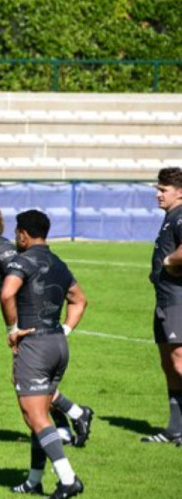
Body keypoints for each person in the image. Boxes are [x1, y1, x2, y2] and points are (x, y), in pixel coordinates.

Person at [0, 201, 93, 453]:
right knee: (29, 381)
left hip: (31, 328)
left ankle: (69, 422)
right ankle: (71, 420)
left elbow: (22, 284)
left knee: (30, 382)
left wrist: (18, 328)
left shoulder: (2, 251)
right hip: (25, 327)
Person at [1, 210, 88, 498]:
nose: (16, 237)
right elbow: (80, 300)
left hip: (35, 345)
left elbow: (6, 293)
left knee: (36, 416)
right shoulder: (59, 263)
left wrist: (13, 328)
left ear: (23, 234)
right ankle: (33, 480)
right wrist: (65, 329)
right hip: (58, 344)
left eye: (17, 232)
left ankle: (67, 479)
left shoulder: (21, 260)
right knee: (38, 415)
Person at [142, 166, 182, 445]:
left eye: (163, 190)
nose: (158, 194)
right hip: (165, 299)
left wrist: (167, 262)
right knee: (168, 364)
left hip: (178, 300)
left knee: (180, 361)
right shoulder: (170, 217)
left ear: (180, 193)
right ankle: (175, 429)